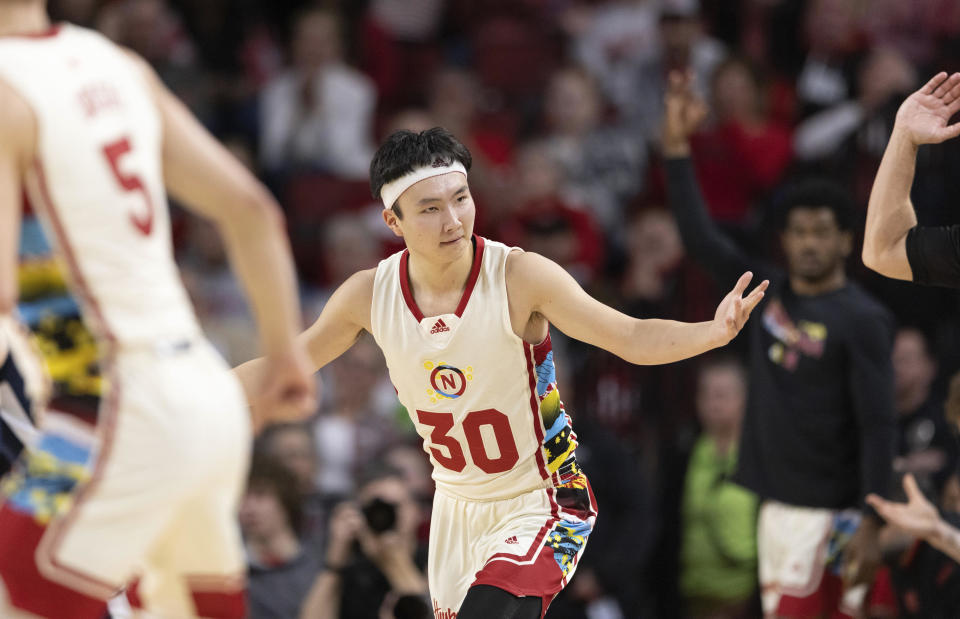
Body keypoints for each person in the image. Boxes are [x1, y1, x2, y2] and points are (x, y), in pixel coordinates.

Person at [236, 125, 768, 618]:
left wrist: (712, 332)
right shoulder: (367, 295)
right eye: (429, 209)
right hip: (455, 509)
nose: (453, 220)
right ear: (392, 222)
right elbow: (287, 367)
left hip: (544, 498)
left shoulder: (519, 276)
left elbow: (628, 336)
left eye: (461, 199)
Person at [0, 1, 315, 616]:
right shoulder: (116, 66)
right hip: (204, 392)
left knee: (17, 588)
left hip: (108, 403)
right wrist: (285, 356)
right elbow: (252, 210)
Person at [663, 71, 896, 619]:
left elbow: (880, 424)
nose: (810, 243)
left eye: (822, 231)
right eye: (799, 231)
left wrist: (872, 519)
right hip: (775, 511)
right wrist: (676, 146)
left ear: (845, 240)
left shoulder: (864, 319)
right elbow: (701, 238)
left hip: (840, 514)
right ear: (784, 239)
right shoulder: (766, 294)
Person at [680, 357, 758, 619]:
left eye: (722, 395)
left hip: (745, 597)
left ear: (744, 399)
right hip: (694, 594)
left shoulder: (761, 457)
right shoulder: (684, 452)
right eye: (705, 394)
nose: (712, 404)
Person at [298, 464, 431, 619]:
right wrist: (334, 561)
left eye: (394, 506)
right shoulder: (350, 573)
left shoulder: (435, 562)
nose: (384, 515)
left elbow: (432, 614)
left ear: (416, 511)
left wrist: (392, 562)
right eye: (374, 509)